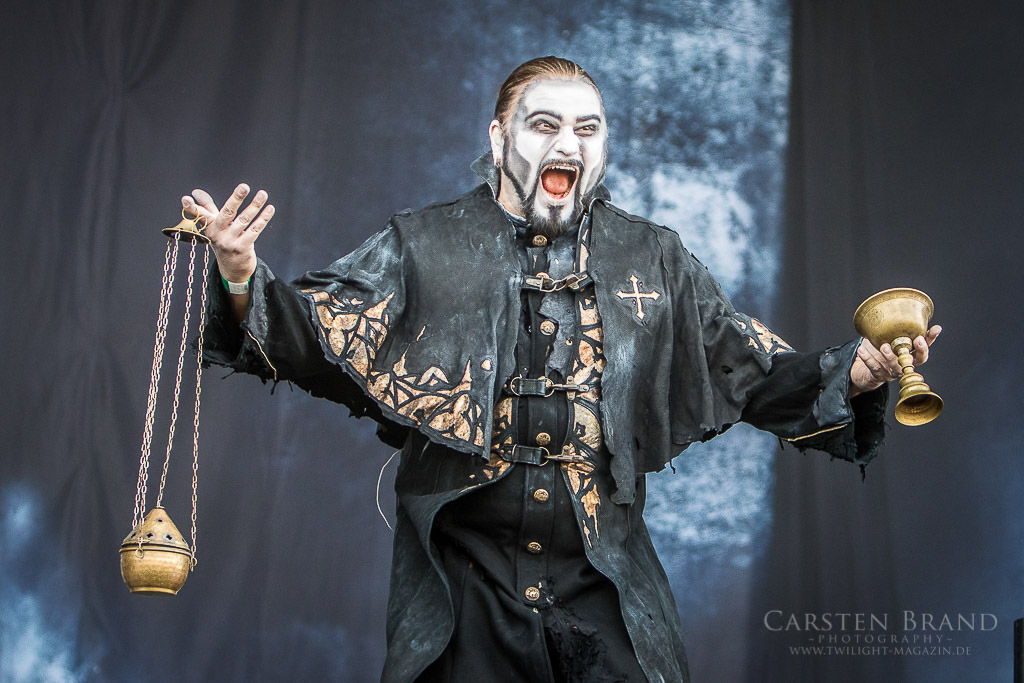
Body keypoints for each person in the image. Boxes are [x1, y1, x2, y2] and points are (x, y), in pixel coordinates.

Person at [186, 57, 939, 683]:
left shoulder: (654, 258)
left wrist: (856, 374)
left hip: (604, 583)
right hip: (463, 591)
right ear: (499, 137)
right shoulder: (423, 244)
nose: (568, 144)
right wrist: (242, 276)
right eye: (544, 125)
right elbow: (315, 333)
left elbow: (748, 369)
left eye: (587, 127)